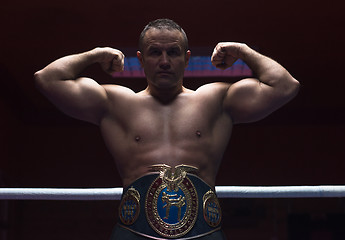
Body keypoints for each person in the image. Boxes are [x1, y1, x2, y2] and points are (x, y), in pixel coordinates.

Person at [34, 19, 299, 240]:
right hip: (134, 233)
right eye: (155, 52)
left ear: (186, 59)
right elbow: (47, 79)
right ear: (141, 59)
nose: (164, 61)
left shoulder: (215, 100)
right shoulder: (116, 103)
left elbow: (285, 86)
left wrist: (243, 51)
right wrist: (96, 54)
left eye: (172, 52)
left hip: (203, 233)